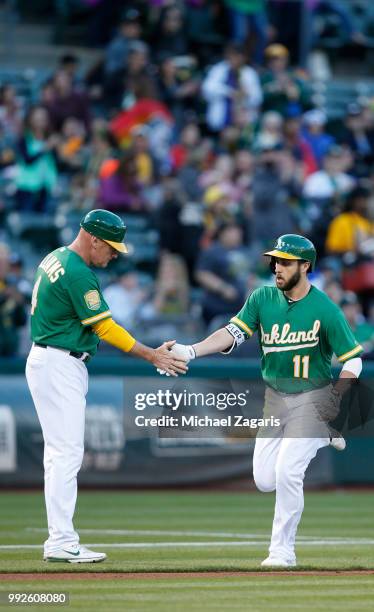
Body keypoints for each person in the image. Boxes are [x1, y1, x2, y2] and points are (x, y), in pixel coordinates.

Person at [160, 234, 363, 567]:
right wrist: (191, 350)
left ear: (305, 266)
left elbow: (353, 359)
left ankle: (282, 551)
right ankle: (325, 434)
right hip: (275, 400)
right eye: (275, 261)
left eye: (285, 261)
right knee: (264, 479)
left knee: (286, 473)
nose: (277, 267)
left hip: (312, 399)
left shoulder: (325, 308)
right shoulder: (262, 298)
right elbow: (232, 332)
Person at [25, 209, 187, 563]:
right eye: (110, 247)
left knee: (59, 453)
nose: (114, 255)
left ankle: (59, 538)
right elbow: (105, 327)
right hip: (59, 360)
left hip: (51, 357)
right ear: (93, 238)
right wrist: (151, 355)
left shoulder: (57, 257)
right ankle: (61, 540)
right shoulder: (79, 272)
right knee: (66, 453)